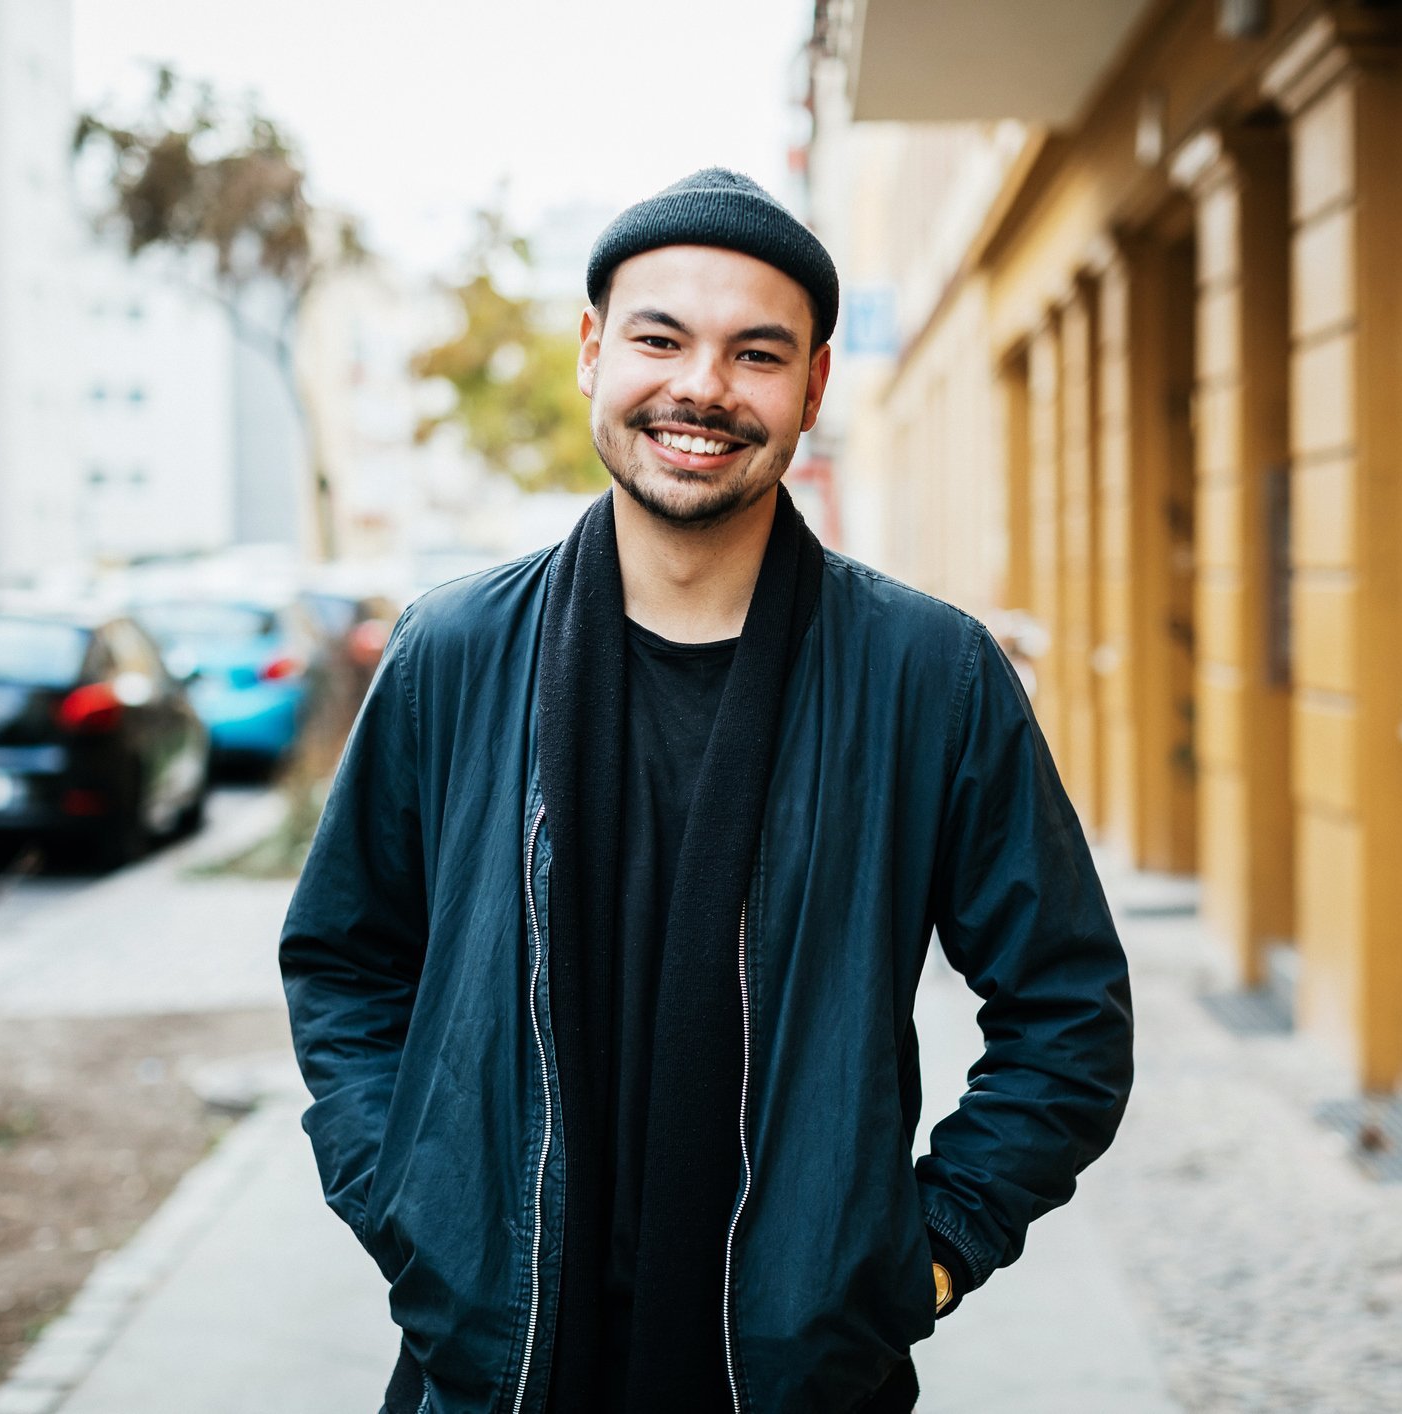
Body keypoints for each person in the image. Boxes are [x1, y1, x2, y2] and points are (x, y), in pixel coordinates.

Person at [281, 168, 1133, 1414]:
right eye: (661, 339)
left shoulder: (928, 676)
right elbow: (346, 963)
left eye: (757, 353)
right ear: (590, 352)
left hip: (795, 1381)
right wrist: (408, 1202)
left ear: (814, 388)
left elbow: (1068, 1014)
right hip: (489, 1367)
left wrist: (925, 1253)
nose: (703, 388)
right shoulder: (452, 652)